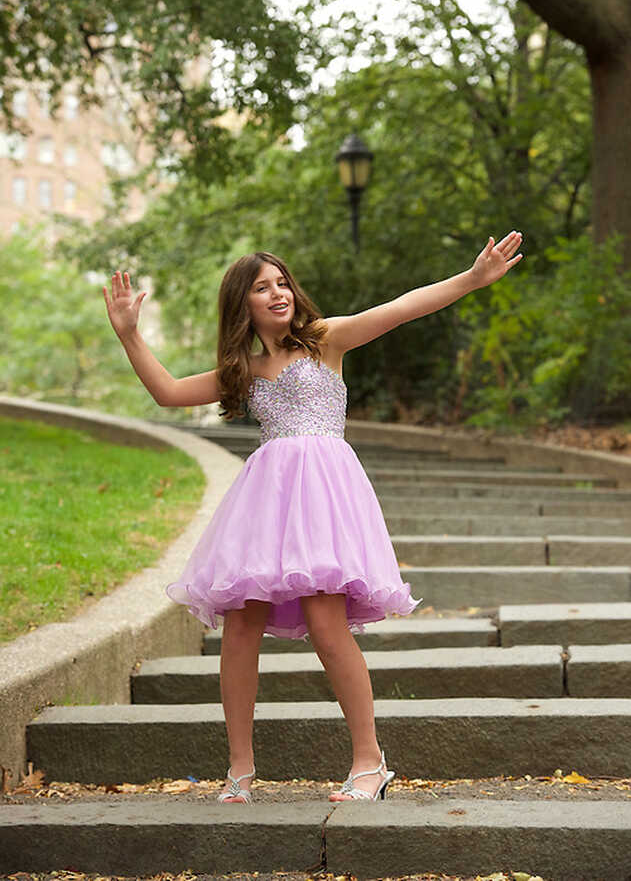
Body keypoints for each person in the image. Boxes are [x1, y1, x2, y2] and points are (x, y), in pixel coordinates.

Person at [103, 230, 523, 805]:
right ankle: (240, 772)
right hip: (265, 504)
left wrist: (472, 279)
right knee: (240, 624)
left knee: (327, 623)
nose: (277, 294)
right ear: (241, 305)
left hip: (323, 499)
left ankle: (370, 762)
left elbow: (399, 309)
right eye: (261, 288)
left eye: (282, 283)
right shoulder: (245, 370)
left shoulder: (324, 341)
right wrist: (130, 335)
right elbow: (169, 392)